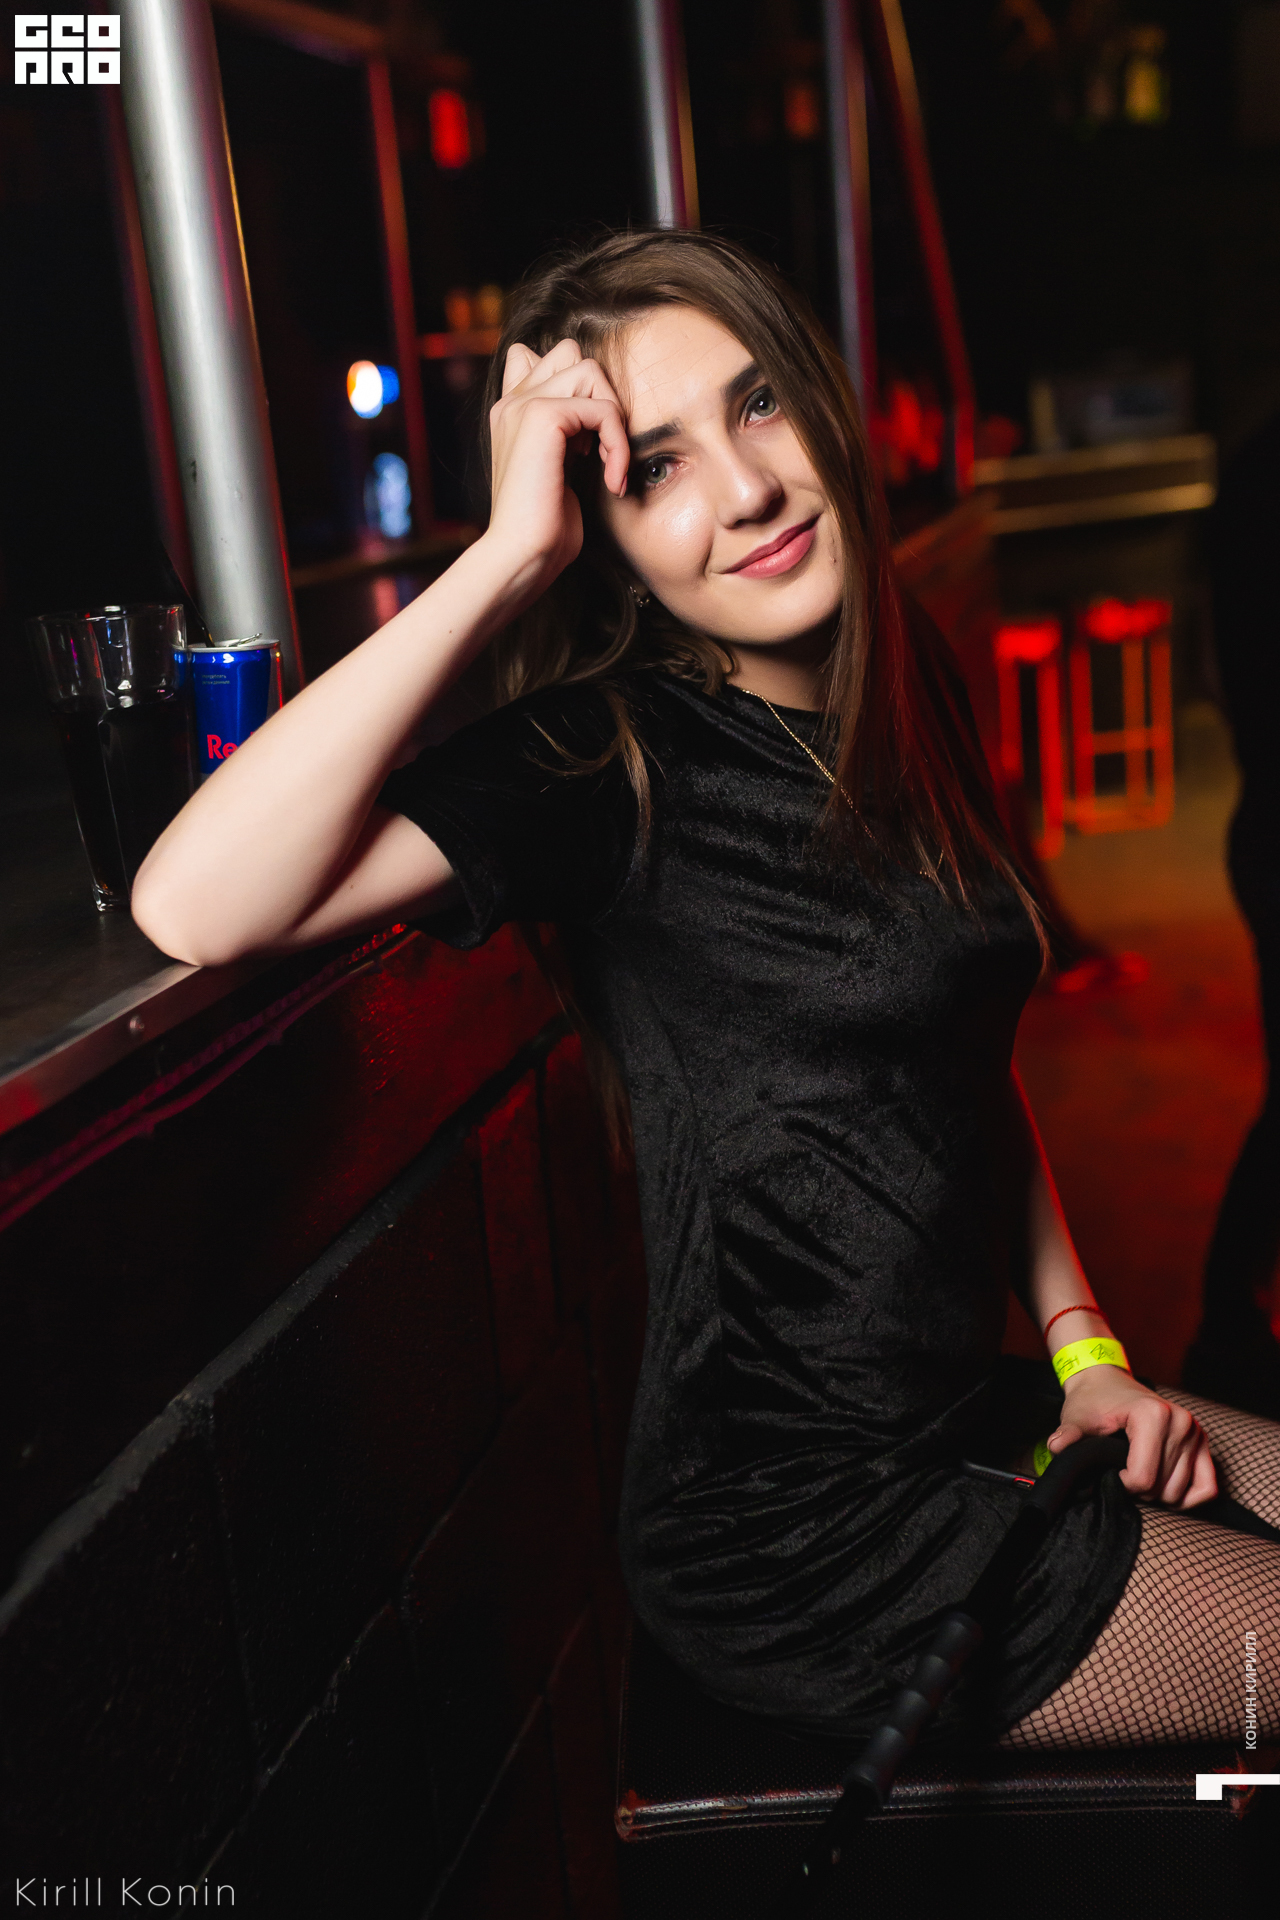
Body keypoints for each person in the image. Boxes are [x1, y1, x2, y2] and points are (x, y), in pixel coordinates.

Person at [132, 230, 1279, 1750]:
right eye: (657, 467)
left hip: (963, 1417)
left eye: (757, 405)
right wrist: (505, 557)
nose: (745, 491)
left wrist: (1086, 1353)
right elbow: (193, 900)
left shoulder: (904, 683)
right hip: (795, 1535)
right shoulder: (607, 763)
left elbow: (953, 1064)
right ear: (601, 535)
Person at [1182, 411, 1280, 1420]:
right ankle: (1224, 1328)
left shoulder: (1247, 469)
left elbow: (1210, 674)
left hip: (1262, 823)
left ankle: (1225, 1324)